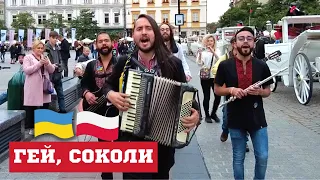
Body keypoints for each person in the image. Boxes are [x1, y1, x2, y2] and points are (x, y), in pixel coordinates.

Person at [103, 14, 200, 179]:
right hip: (131, 142)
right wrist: (111, 94)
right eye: (139, 29)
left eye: (148, 28)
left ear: (155, 33)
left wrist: (196, 115)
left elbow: (188, 97)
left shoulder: (172, 64)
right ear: (134, 36)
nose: (144, 32)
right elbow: (108, 85)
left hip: (162, 145)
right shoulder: (125, 62)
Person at [214, 27, 273, 180]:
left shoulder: (262, 65)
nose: (245, 41)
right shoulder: (225, 65)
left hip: (257, 118)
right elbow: (217, 90)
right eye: (241, 39)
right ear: (235, 44)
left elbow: (267, 91)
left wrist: (259, 92)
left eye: (249, 38)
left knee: (263, 157)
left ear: (254, 42)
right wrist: (231, 90)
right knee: (238, 158)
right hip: (235, 118)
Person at [80, 32, 119, 179]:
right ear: (96, 45)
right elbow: (83, 84)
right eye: (101, 41)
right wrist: (86, 94)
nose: (104, 43)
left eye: (106, 41)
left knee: (118, 142)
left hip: (116, 109)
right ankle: (106, 175)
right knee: (103, 144)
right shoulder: (91, 65)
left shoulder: (120, 63)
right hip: (98, 110)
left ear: (111, 43)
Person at [23, 40, 56, 135]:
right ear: (34, 48)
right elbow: (27, 70)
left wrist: (47, 64)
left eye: (42, 48)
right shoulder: (28, 57)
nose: (40, 50)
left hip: (44, 85)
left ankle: (43, 126)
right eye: (38, 48)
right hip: (32, 86)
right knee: (31, 107)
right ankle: (31, 127)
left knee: (45, 106)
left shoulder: (45, 57)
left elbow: (51, 70)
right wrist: (39, 64)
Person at [196, 34, 220, 123]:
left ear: (214, 42)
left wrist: (213, 51)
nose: (210, 42)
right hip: (205, 76)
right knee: (207, 97)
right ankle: (207, 115)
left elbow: (220, 60)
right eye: (208, 41)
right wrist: (199, 55)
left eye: (211, 41)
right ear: (205, 42)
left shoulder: (217, 50)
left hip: (215, 76)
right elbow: (199, 64)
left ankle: (214, 113)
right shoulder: (202, 51)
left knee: (218, 96)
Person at [45, 31, 67, 113]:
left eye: (56, 38)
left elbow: (61, 59)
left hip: (57, 74)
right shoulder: (46, 48)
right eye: (53, 38)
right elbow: (46, 60)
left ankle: (63, 110)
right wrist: (52, 66)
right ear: (49, 37)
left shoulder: (57, 47)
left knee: (60, 94)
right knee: (47, 95)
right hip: (49, 76)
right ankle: (46, 113)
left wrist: (60, 67)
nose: (55, 40)